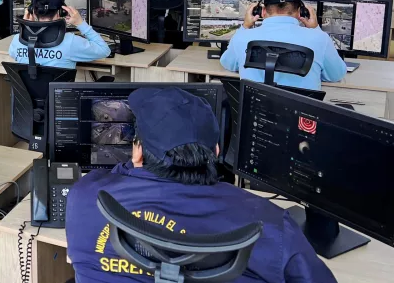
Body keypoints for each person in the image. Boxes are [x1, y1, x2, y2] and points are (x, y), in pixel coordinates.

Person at [66, 86, 337, 283]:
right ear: (217, 151)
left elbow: (118, 174)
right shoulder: (271, 222)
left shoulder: (86, 197)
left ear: (137, 152)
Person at [220, 0, 346, 90]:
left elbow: (228, 64)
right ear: (300, 12)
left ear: (262, 12)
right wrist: (315, 29)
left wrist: (245, 27)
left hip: (256, 115)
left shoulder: (242, 37)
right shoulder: (320, 39)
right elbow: (336, 75)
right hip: (302, 117)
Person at [8, 0, 110, 69]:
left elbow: (12, 54)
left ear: (32, 12)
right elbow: (104, 50)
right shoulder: (71, 42)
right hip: (60, 95)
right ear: (60, 13)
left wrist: (26, 27)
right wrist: (81, 23)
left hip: (26, 96)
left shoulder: (18, 40)